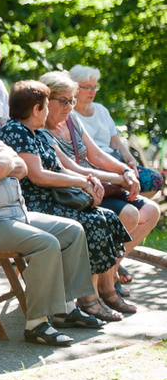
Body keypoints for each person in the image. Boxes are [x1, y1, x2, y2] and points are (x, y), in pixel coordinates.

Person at [0, 78, 104, 345]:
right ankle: (37, 324)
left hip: (11, 216)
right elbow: (0, 167)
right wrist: (1, 167)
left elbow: (19, 167)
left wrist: (2, 166)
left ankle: (65, 308)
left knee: (72, 230)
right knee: (46, 244)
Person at [0, 81, 132, 322]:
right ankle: (87, 299)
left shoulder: (39, 133)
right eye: (47, 106)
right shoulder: (15, 131)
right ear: (36, 109)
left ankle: (103, 291)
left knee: (107, 217)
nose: (49, 112)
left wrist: (89, 180)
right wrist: (81, 184)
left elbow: (64, 167)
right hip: (33, 204)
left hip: (52, 200)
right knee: (92, 223)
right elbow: (37, 175)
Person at [38, 71, 156, 302]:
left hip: (92, 186)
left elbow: (96, 154)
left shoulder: (70, 118)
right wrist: (121, 178)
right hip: (73, 193)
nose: (69, 106)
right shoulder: (40, 130)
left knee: (151, 211)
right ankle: (105, 281)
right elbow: (71, 168)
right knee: (130, 215)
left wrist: (124, 170)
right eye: (63, 100)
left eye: (72, 100)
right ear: (45, 101)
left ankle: (111, 271)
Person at [70, 64, 163, 195]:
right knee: (124, 187)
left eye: (95, 87)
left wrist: (130, 160)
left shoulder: (101, 110)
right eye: (88, 87)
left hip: (116, 161)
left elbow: (116, 143)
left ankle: (136, 208)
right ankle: (128, 209)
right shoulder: (69, 115)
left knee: (155, 180)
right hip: (93, 167)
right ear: (75, 88)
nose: (93, 91)